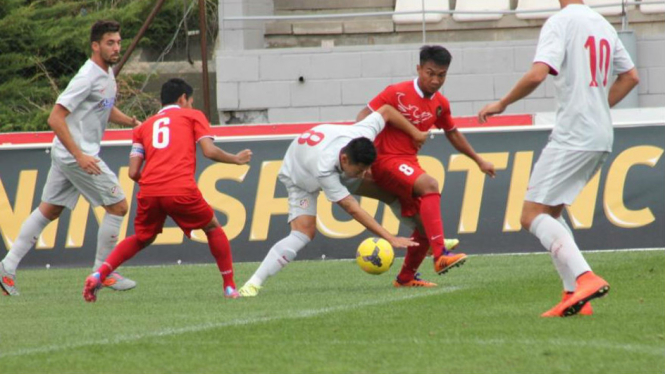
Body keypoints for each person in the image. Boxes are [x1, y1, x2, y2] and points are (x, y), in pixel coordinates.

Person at [478, 0, 639, 317]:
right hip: (601, 134)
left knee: (529, 215)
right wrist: (598, 107)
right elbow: (631, 76)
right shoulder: (602, 23)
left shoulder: (560, 22)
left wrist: (502, 102)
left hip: (574, 134)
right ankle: (574, 296)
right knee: (551, 212)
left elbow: (538, 74)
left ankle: (585, 277)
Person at [0, 20, 140, 296]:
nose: (116, 48)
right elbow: (56, 117)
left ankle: (7, 267)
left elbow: (105, 108)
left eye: (119, 42)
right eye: (110, 43)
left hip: (67, 154)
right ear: (95, 46)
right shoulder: (86, 77)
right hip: (78, 156)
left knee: (49, 210)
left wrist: (132, 122)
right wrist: (80, 155)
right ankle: (103, 272)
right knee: (119, 206)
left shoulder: (106, 74)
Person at [82, 78, 251, 302]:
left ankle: (98, 274)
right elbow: (208, 151)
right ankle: (229, 287)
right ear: (183, 99)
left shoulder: (143, 127)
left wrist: (155, 182)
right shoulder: (193, 115)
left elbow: (133, 172)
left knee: (142, 237)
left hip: (150, 190)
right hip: (181, 188)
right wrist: (236, 160)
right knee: (212, 227)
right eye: (190, 101)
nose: (191, 105)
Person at [238, 105, 429, 297]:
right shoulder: (325, 168)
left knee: (389, 191)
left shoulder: (362, 133)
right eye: (360, 169)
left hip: (322, 153)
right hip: (300, 175)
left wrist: (415, 133)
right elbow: (352, 208)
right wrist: (390, 237)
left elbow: (386, 110)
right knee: (303, 234)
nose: (364, 174)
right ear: (345, 159)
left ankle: (429, 237)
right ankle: (253, 284)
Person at [356, 45, 496, 288]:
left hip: (407, 163)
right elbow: (362, 117)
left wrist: (479, 160)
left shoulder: (440, 104)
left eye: (441, 75)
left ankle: (406, 278)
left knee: (424, 223)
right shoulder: (396, 92)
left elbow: (452, 133)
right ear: (418, 69)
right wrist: (361, 157)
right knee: (430, 184)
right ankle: (440, 254)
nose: (434, 80)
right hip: (385, 160)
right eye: (429, 73)